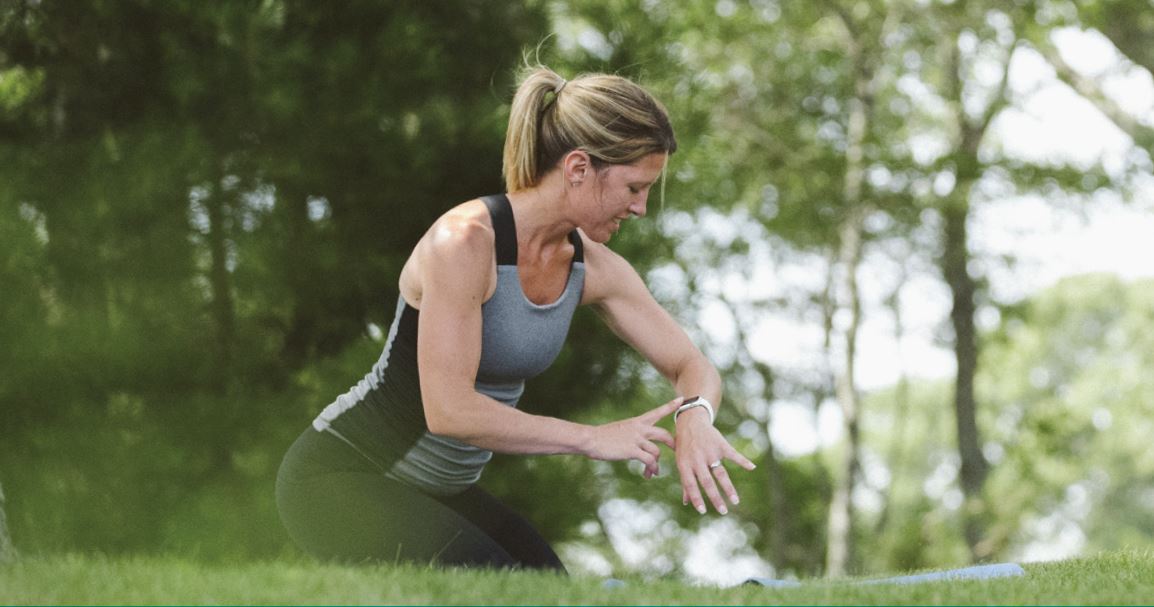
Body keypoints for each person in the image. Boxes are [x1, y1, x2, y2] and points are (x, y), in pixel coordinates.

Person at [275, 65, 755, 572]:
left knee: (548, 587)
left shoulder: (594, 268)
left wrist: (695, 413)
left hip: (440, 491)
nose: (640, 208)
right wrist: (592, 437)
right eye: (634, 188)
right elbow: (450, 412)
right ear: (577, 168)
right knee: (506, 590)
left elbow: (690, 364)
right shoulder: (463, 243)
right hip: (341, 476)